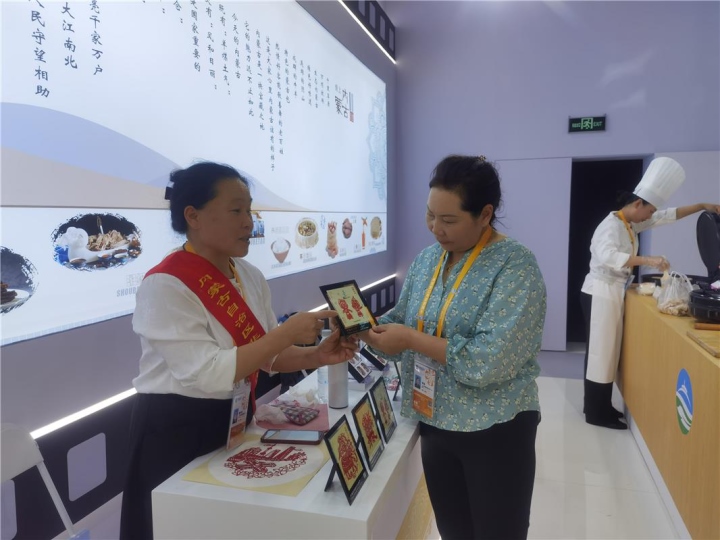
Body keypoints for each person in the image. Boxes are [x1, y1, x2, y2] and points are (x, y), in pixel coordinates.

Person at [119, 162, 357, 540]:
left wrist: (315, 356)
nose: (249, 222)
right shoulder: (165, 284)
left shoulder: (248, 275)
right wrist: (285, 334)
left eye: (249, 210)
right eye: (236, 211)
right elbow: (209, 373)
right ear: (193, 216)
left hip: (233, 420)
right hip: (175, 429)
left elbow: (266, 357)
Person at [362, 155, 547, 540]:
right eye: (430, 215)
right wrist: (362, 328)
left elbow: (489, 361)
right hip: (435, 420)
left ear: (485, 214)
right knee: (454, 531)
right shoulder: (428, 260)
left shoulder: (515, 265)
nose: (436, 229)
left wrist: (410, 339)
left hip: (495, 428)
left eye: (448, 220)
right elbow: (403, 319)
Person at [581, 156, 720, 429]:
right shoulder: (610, 225)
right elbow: (608, 256)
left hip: (611, 291)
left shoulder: (629, 223)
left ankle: (600, 405)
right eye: (649, 210)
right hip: (600, 290)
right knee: (600, 352)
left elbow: (668, 216)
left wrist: (702, 205)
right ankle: (595, 413)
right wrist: (649, 260)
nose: (650, 215)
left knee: (607, 352)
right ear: (637, 204)